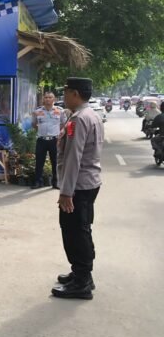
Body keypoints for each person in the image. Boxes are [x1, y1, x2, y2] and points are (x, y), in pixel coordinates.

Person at [53, 77, 104, 300]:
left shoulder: (80, 119)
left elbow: (74, 157)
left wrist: (66, 191)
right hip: (87, 183)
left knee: (74, 231)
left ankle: (82, 282)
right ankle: (81, 274)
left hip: (78, 186)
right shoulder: (89, 115)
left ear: (75, 94)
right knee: (81, 229)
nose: (63, 96)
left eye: (65, 92)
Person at [31, 91, 66, 189]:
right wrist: (41, 131)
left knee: (55, 162)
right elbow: (34, 124)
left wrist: (58, 134)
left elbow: (63, 124)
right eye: (46, 97)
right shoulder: (37, 111)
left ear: (54, 99)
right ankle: (38, 182)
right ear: (43, 99)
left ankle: (56, 182)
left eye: (50, 97)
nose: (48, 99)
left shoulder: (60, 111)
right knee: (39, 161)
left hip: (54, 140)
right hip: (41, 140)